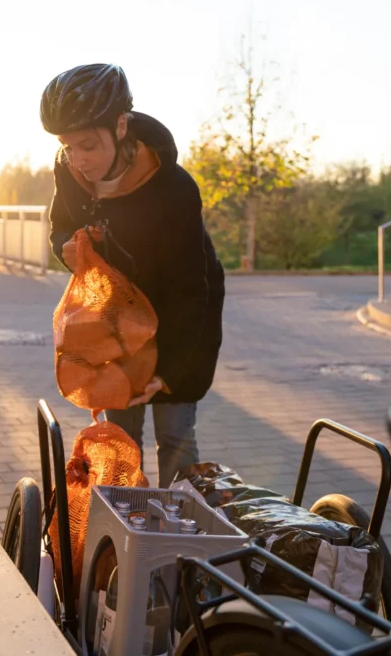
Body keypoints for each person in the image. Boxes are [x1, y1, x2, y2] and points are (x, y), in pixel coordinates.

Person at [41, 63, 225, 487]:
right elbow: (60, 228)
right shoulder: (68, 172)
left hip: (182, 318)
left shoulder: (173, 188)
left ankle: (180, 540)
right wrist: (66, 247)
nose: (78, 159)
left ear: (120, 125)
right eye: (68, 146)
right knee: (122, 435)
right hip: (118, 320)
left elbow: (189, 291)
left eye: (87, 144)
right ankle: (127, 538)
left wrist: (169, 373)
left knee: (174, 432)